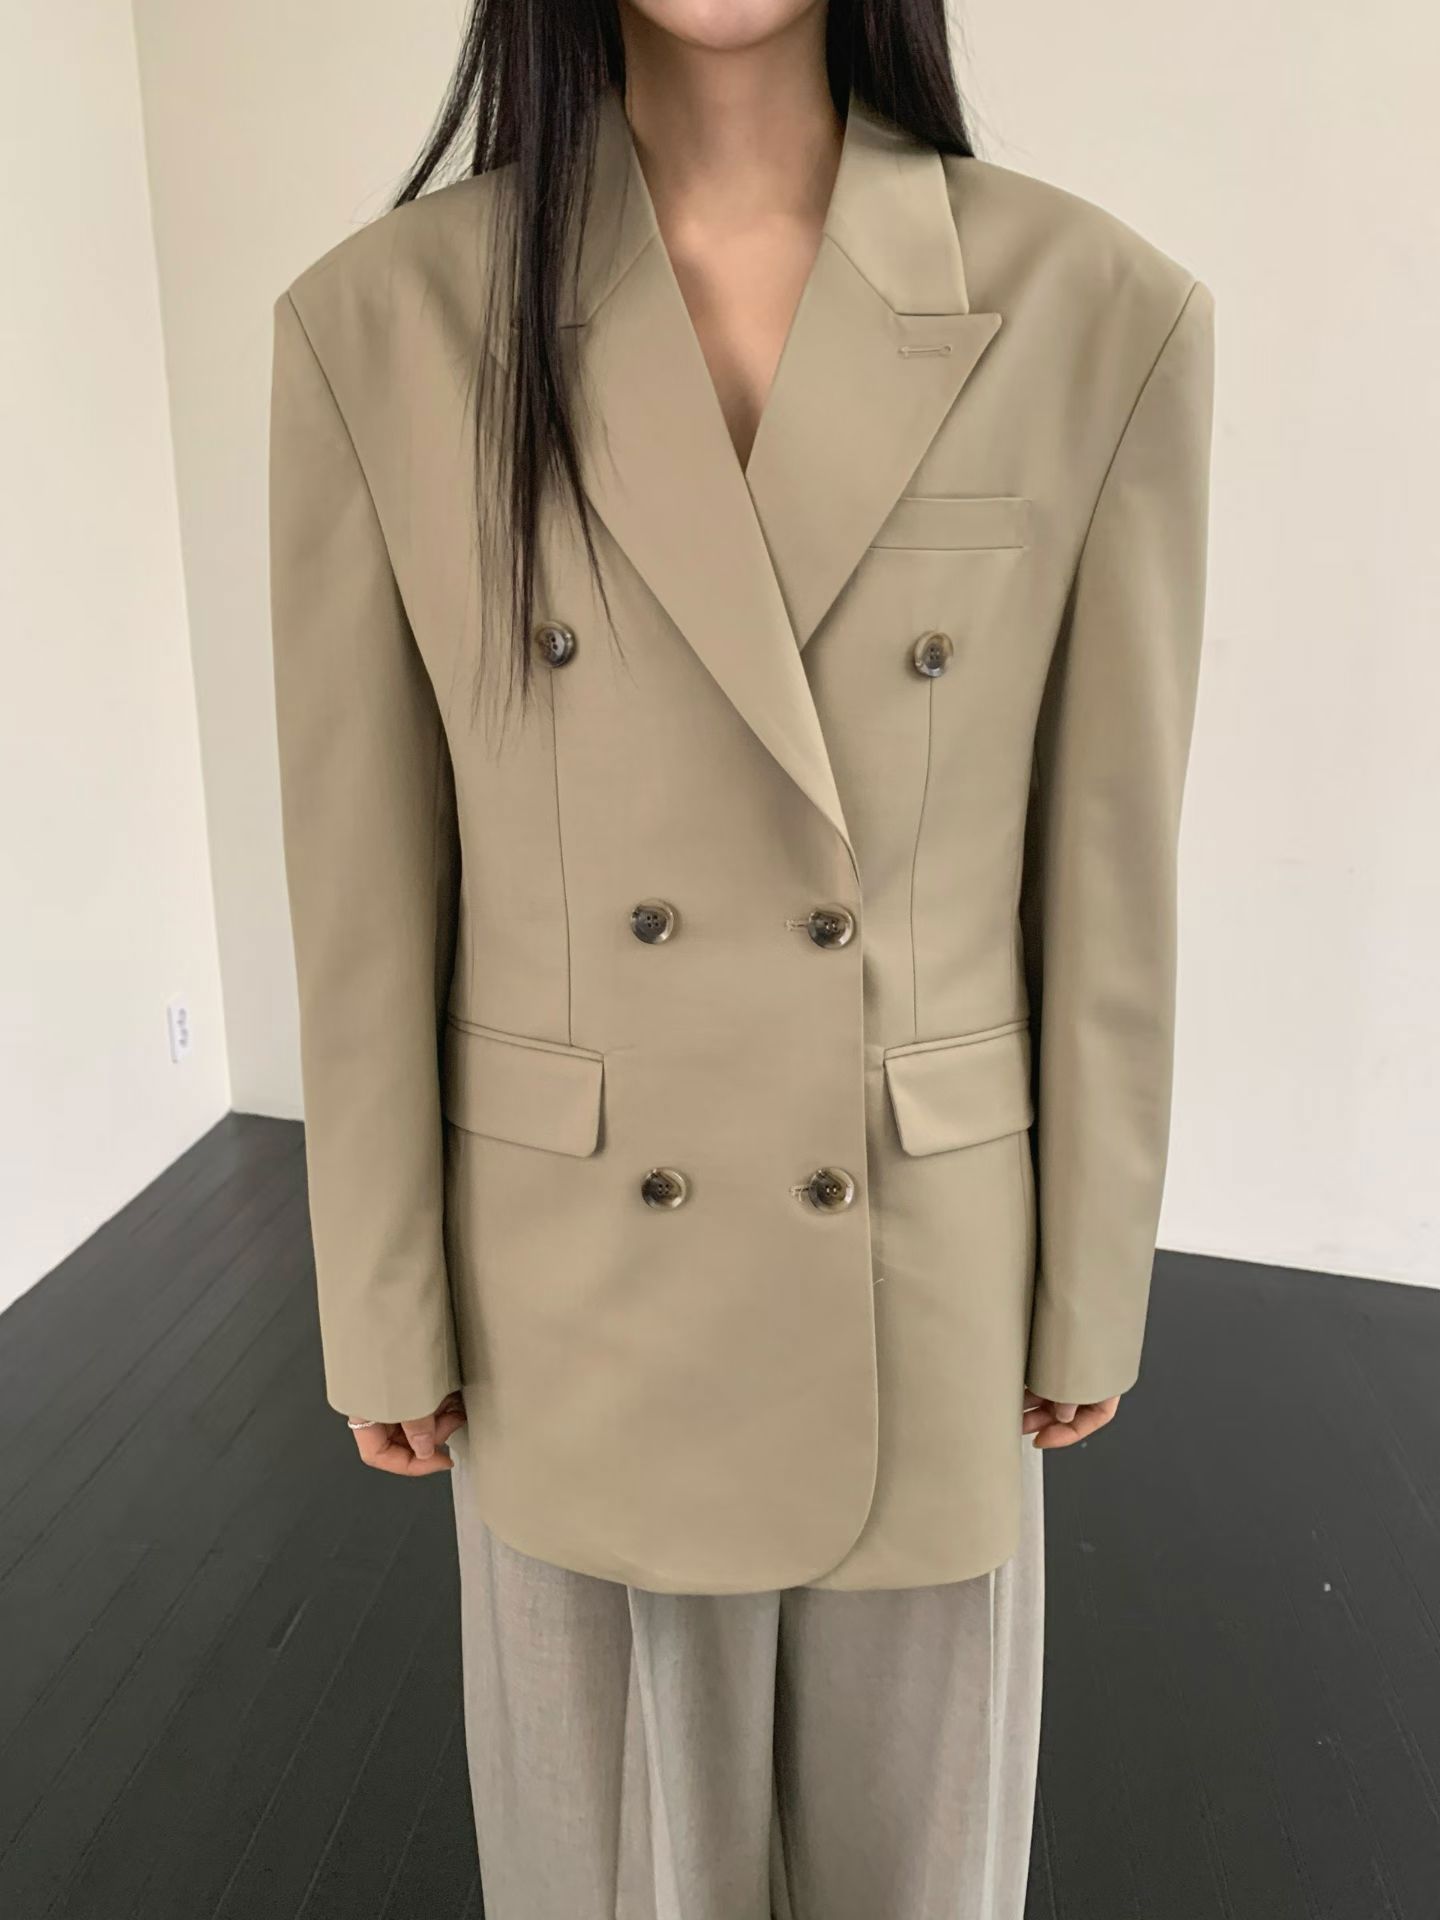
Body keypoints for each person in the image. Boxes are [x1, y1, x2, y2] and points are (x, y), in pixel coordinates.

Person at [267, 0, 1214, 1913]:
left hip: (920, 1267)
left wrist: (1092, 1272)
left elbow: (1108, 854)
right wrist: (380, 1297)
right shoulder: (382, 324)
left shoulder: (1096, 308)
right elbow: (362, 884)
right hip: (576, 1285)